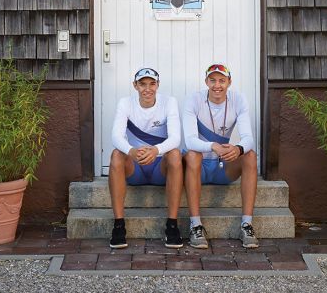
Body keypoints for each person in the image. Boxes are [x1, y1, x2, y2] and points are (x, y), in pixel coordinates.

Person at [182, 63, 259, 249]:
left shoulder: (238, 99)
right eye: (213, 80)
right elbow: (190, 140)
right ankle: (195, 225)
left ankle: (247, 224)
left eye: (222, 80)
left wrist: (238, 149)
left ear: (229, 82)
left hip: (222, 167)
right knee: (192, 155)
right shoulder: (194, 99)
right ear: (206, 81)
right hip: (197, 167)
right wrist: (212, 145)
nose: (217, 85)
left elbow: (249, 138)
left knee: (250, 155)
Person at [108, 67, 184, 249]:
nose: (147, 89)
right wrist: (132, 151)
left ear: (158, 85)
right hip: (136, 167)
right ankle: (119, 226)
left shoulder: (169, 102)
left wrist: (155, 150)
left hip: (159, 168)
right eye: (142, 84)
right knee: (117, 154)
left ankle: (172, 225)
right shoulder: (125, 103)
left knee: (174, 154)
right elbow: (116, 136)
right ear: (135, 86)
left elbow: (175, 138)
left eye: (152, 84)